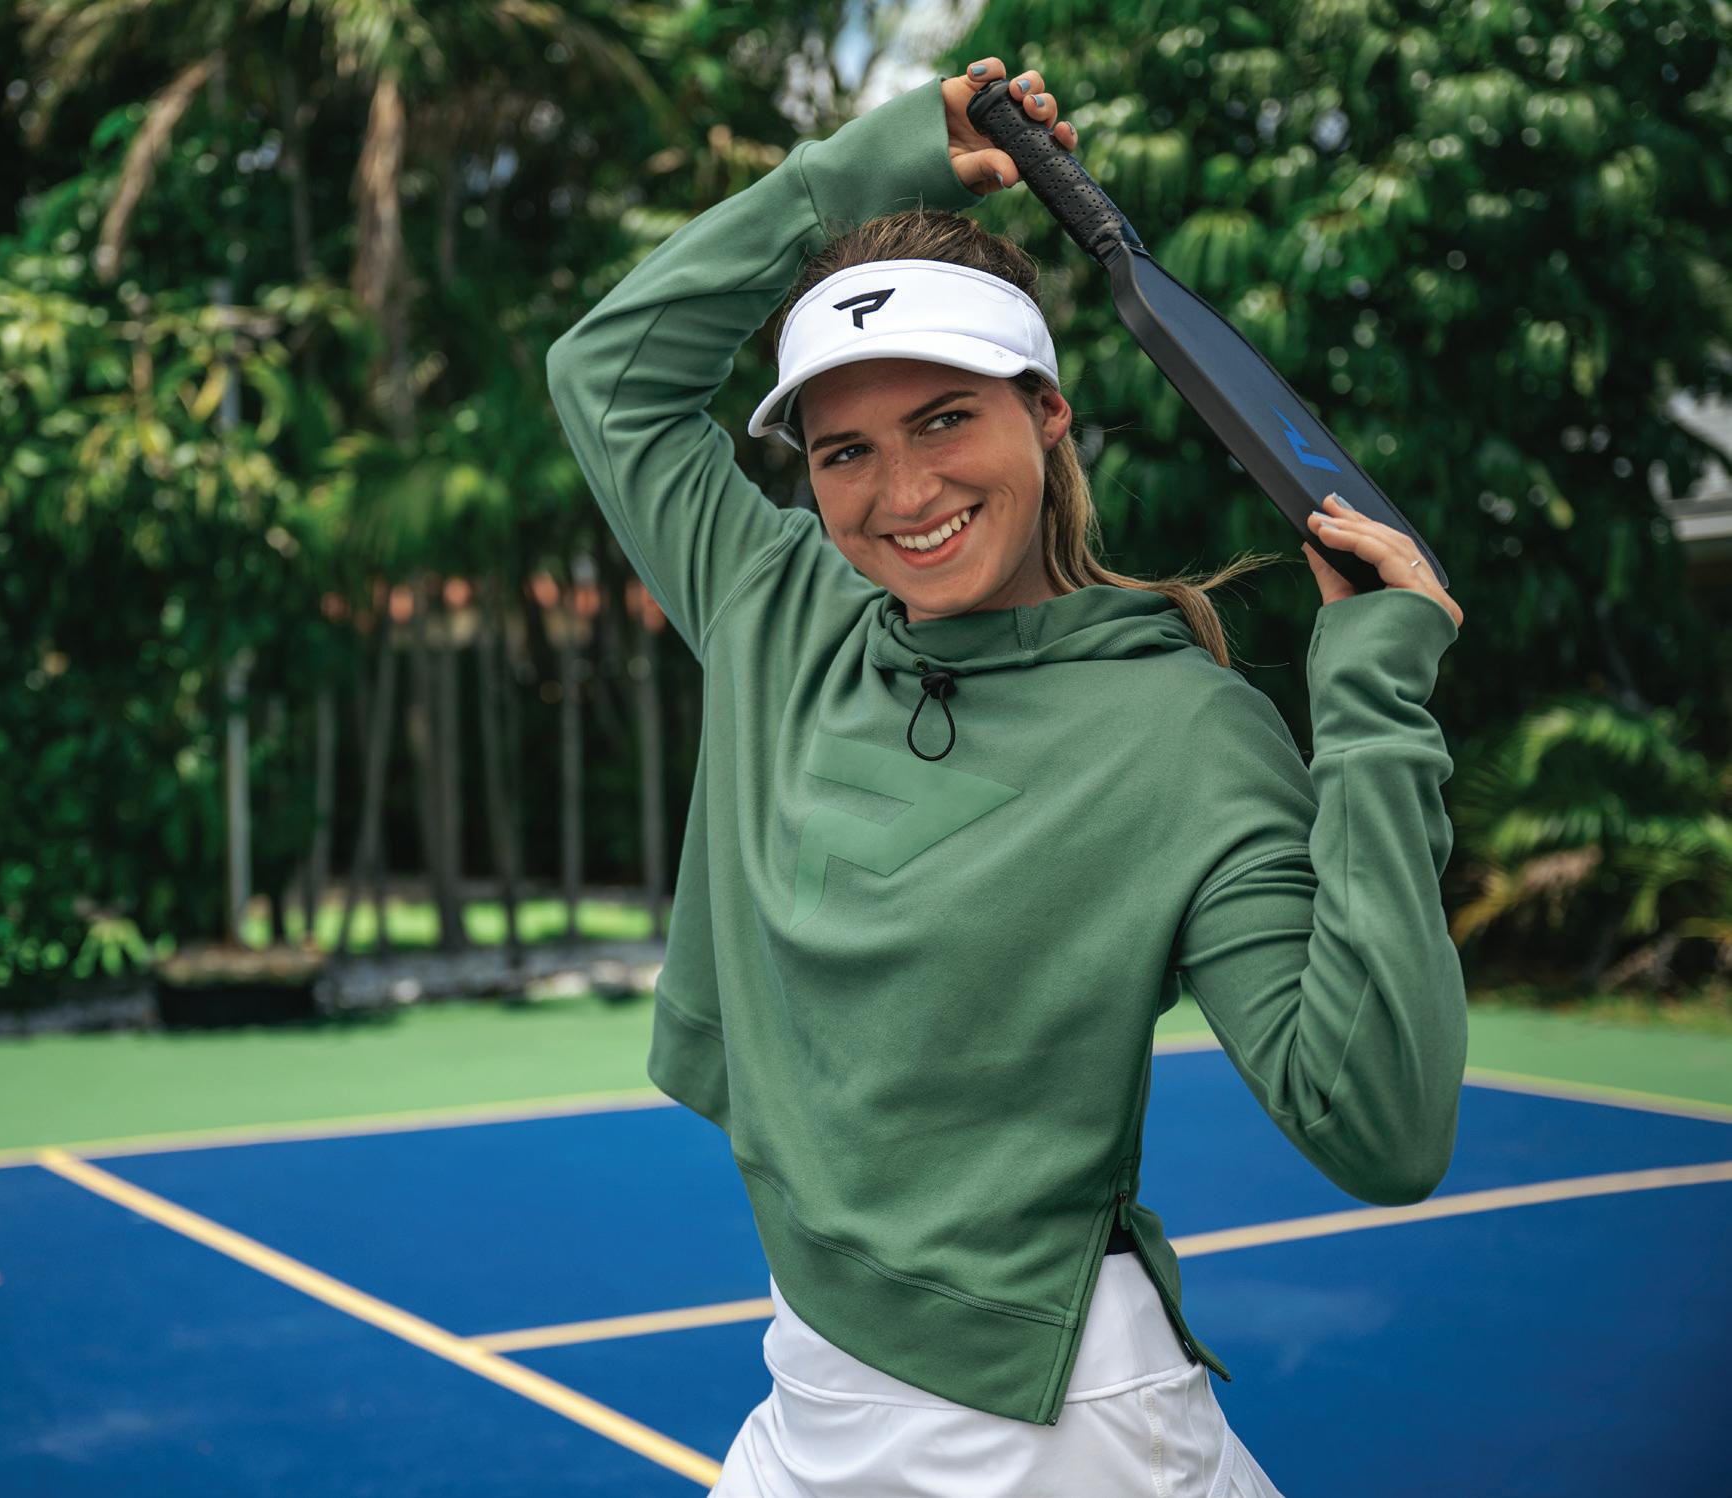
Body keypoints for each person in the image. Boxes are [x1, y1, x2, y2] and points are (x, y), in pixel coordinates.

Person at [544, 51, 1467, 1498]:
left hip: (1060, 1425)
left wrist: (1371, 708)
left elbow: (1378, 1121)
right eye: (843, 451)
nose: (901, 494)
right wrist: (869, 163)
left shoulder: (1183, 731)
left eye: (943, 419)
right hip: (811, 1380)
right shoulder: (776, 609)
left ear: (1044, 412)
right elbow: (604, 375)